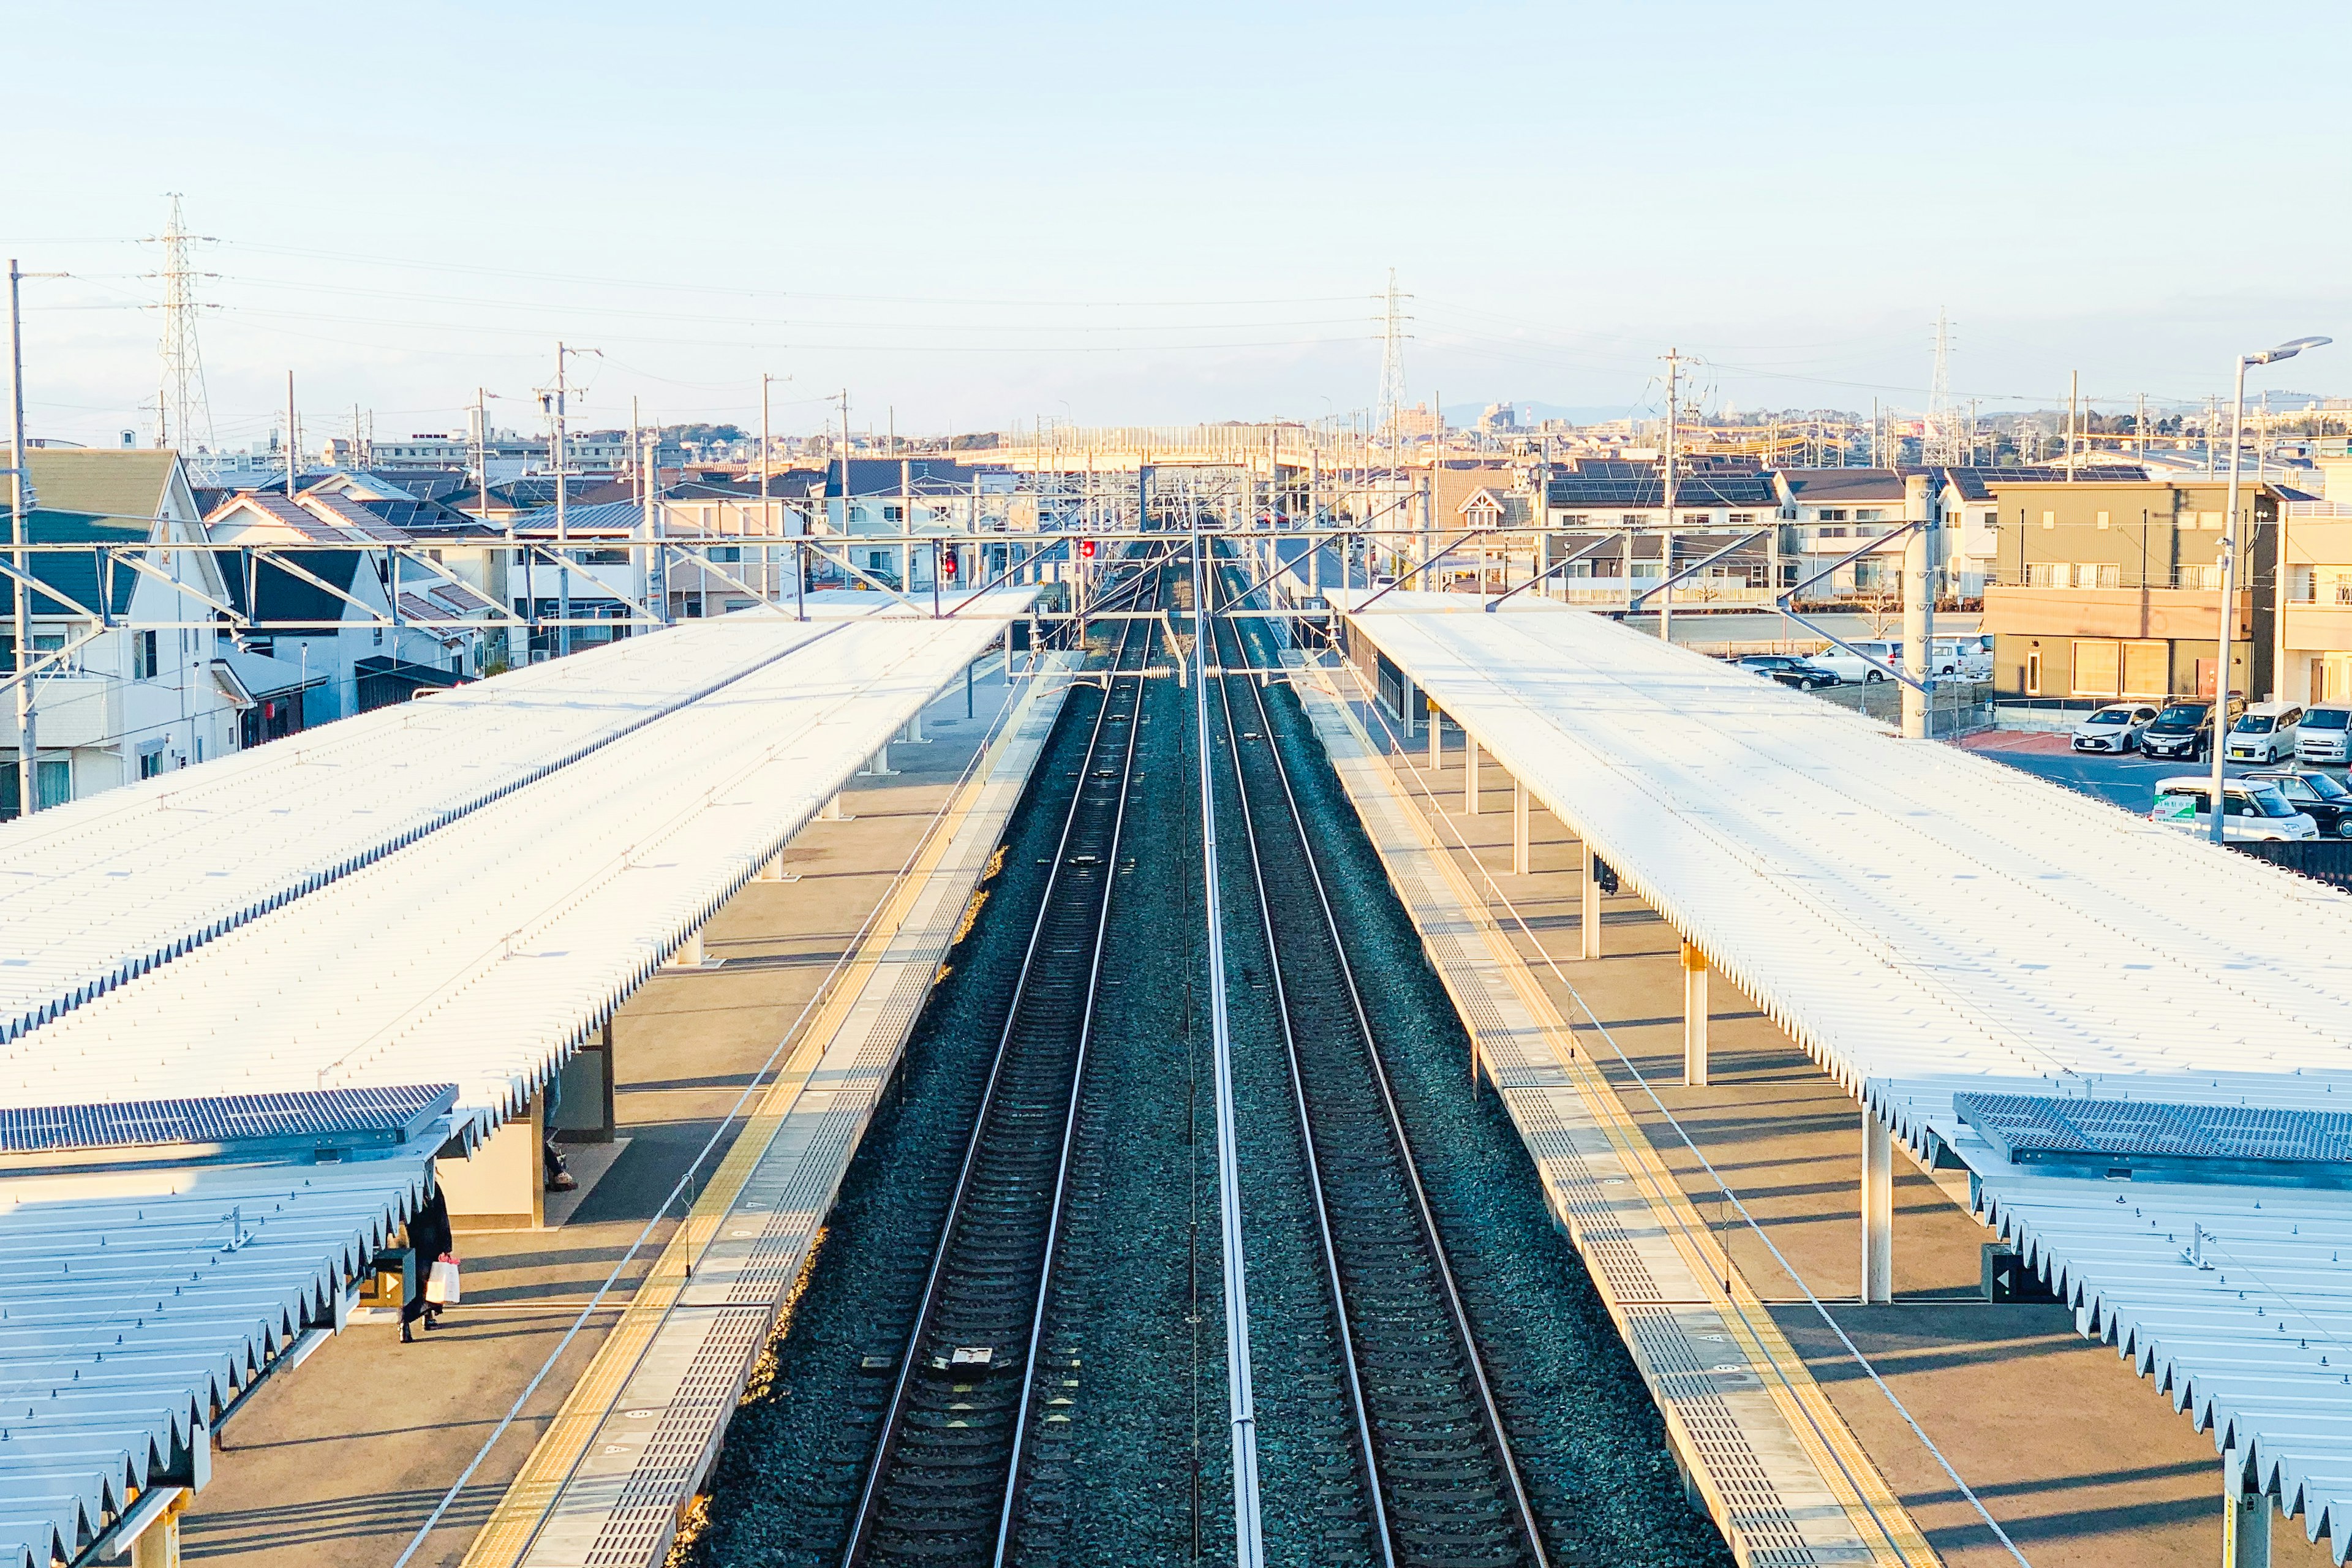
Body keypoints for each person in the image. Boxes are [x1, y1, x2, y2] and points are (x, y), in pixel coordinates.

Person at [401, 1183, 454, 1345]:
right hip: (429, 1240)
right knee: (430, 1280)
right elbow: (441, 1216)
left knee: (406, 1284)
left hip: (407, 1241)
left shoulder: (400, 1188)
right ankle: (428, 1316)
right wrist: (446, 1246)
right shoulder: (432, 1188)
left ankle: (404, 1325)